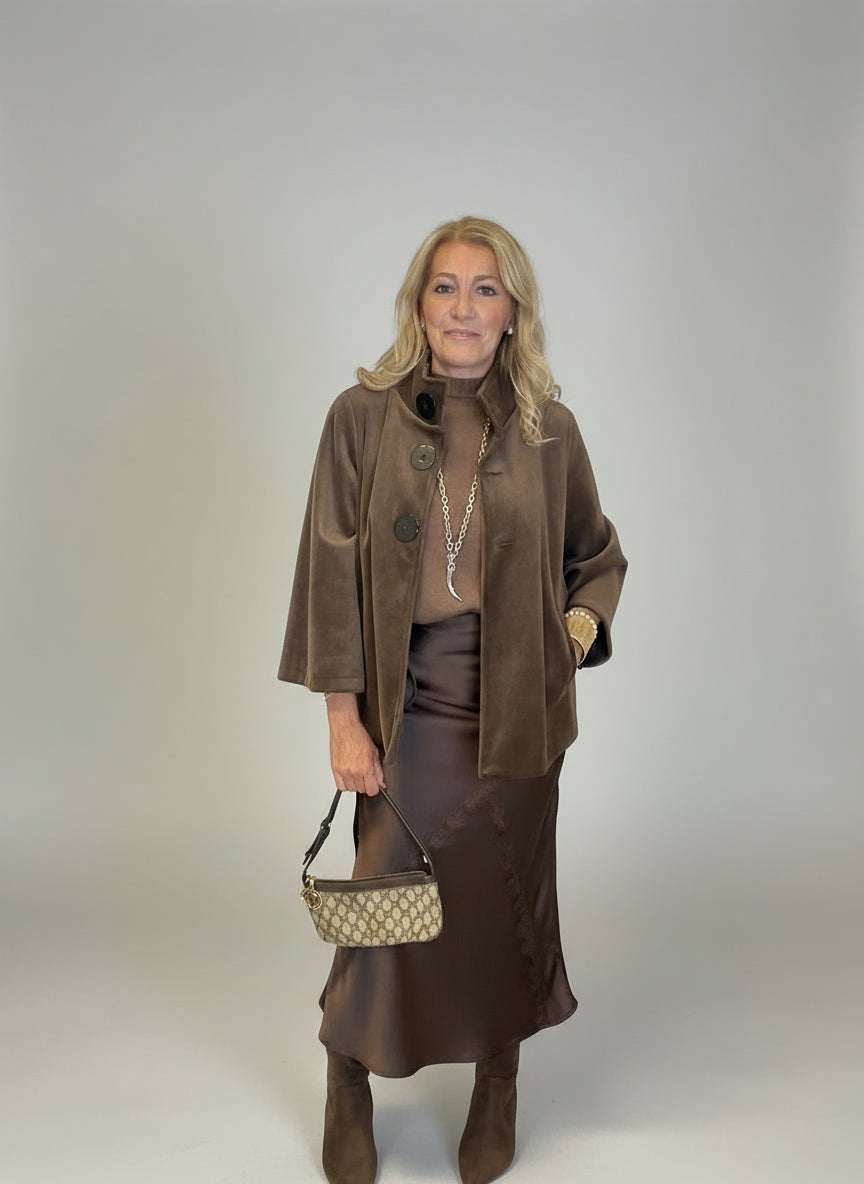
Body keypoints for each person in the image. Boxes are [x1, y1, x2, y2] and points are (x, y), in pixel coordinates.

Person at [277, 216, 627, 1184]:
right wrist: (343, 717)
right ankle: (348, 1074)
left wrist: (573, 636)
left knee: (502, 903)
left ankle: (497, 1081)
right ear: (418, 304)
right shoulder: (361, 416)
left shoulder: (550, 430)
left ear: (513, 312)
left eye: (485, 288)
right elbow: (327, 576)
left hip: (519, 704)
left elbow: (597, 556)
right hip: (408, 698)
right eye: (445, 286)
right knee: (388, 891)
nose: (464, 307)